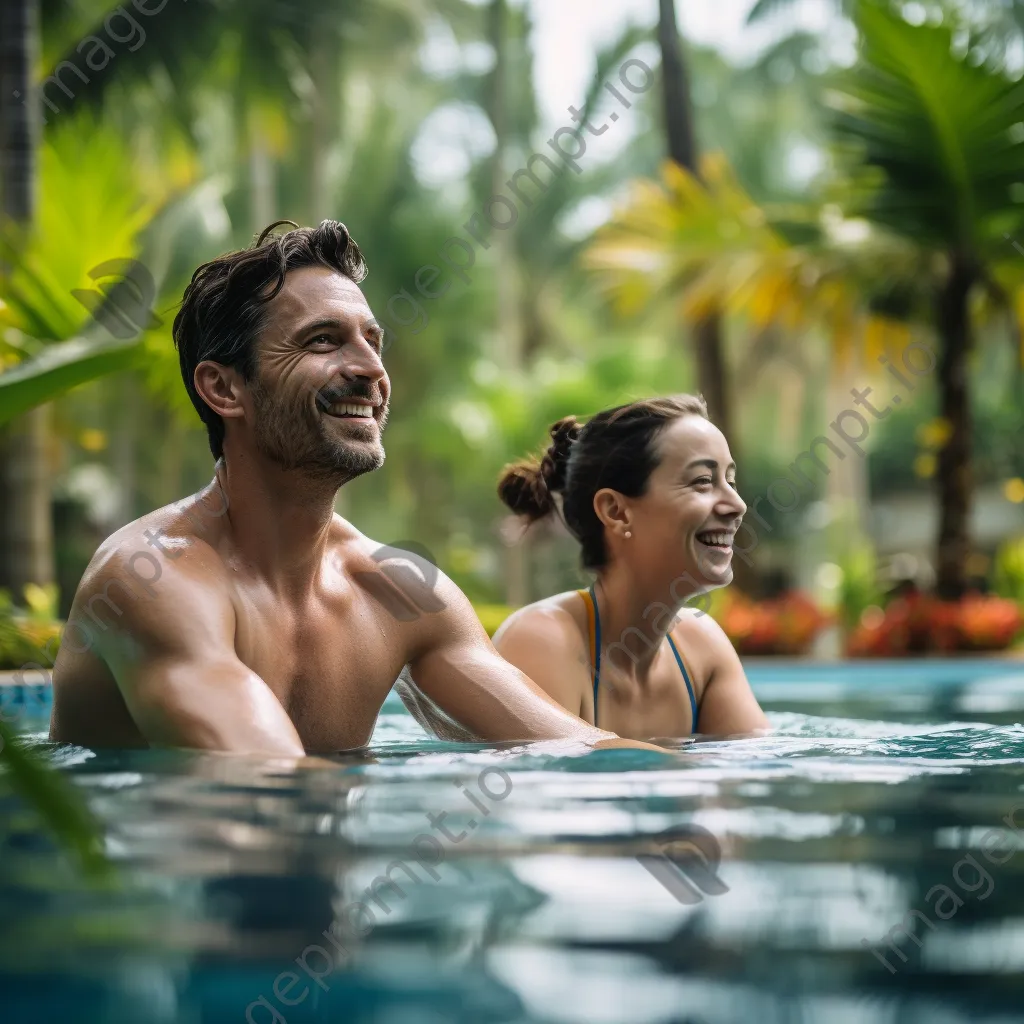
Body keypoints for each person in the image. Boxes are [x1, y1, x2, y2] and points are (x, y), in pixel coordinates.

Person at [49, 221, 658, 756]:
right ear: (224, 389)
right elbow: (262, 782)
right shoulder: (152, 576)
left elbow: (579, 751)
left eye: (374, 341)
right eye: (323, 340)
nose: (371, 371)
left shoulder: (399, 594)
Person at [491, 395, 769, 740]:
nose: (737, 505)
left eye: (731, 481)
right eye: (702, 481)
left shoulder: (702, 648)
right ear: (616, 511)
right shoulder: (543, 642)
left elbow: (755, 771)